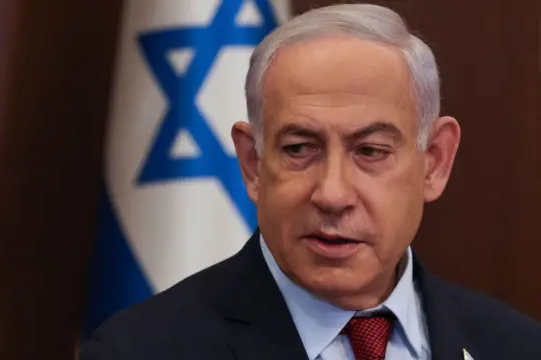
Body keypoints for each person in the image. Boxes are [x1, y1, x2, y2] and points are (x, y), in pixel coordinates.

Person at [80, 4, 541, 360]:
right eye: (299, 149)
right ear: (253, 164)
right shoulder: (141, 351)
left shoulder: (515, 346)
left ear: (434, 162)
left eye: (370, 151)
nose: (333, 194)